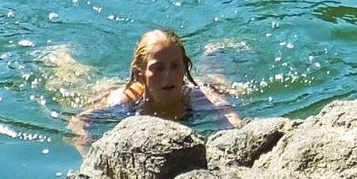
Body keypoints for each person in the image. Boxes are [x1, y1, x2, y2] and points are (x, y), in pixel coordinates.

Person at [69, 28, 241, 150]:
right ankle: (61, 57)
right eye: (158, 68)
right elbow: (78, 122)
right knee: (74, 78)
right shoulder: (122, 101)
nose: (169, 76)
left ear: (185, 67)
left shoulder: (199, 95)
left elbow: (231, 119)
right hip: (112, 89)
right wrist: (88, 152)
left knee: (219, 83)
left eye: (175, 66)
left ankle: (215, 53)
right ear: (140, 73)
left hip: (201, 86)